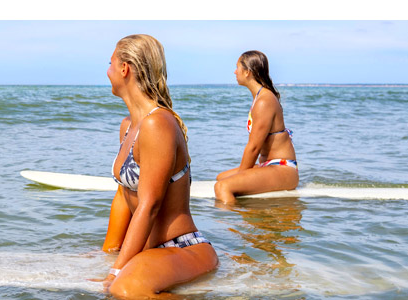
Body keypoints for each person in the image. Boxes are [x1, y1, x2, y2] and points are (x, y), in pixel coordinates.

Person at [95, 34, 218, 299]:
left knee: (125, 289)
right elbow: (122, 196)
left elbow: (149, 205)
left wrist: (116, 272)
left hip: (181, 248)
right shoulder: (128, 126)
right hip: (151, 251)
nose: (108, 71)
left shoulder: (157, 123)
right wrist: (109, 253)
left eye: (110, 63)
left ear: (124, 68)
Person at [214, 50, 298, 204]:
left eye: (237, 67)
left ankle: (238, 226)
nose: (234, 71)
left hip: (282, 168)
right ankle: (249, 217)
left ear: (247, 72)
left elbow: (254, 147)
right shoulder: (260, 97)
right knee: (221, 177)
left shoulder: (264, 101)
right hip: (268, 164)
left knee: (222, 187)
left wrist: (241, 177)